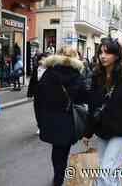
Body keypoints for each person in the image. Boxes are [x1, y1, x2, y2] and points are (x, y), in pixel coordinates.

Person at [83, 37, 122, 186]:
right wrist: (87, 132)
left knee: (105, 171)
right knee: (110, 170)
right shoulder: (96, 76)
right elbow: (93, 107)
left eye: (107, 53)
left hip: (121, 131)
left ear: (117, 55)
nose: (103, 56)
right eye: (101, 52)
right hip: (103, 130)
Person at [35, 46, 88, 186]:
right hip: (69, 120)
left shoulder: (49, 73)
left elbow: (39, 99)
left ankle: (58, 176)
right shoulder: (77, 75)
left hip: (51, 120)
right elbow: (83, 98)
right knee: (63, 151)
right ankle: (59, 175)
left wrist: (40, 121)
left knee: (56, 150)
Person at [27, 53, 50, 134]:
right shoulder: (36, 68)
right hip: (37, 94)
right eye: (41, 59)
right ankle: (40, 126)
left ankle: (46, 126)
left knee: (46, 111)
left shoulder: (50, 69)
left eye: (44, 59)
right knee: (37, 111)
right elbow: (32, 81)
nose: (42, 61)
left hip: (47, 94)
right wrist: (30, 93)